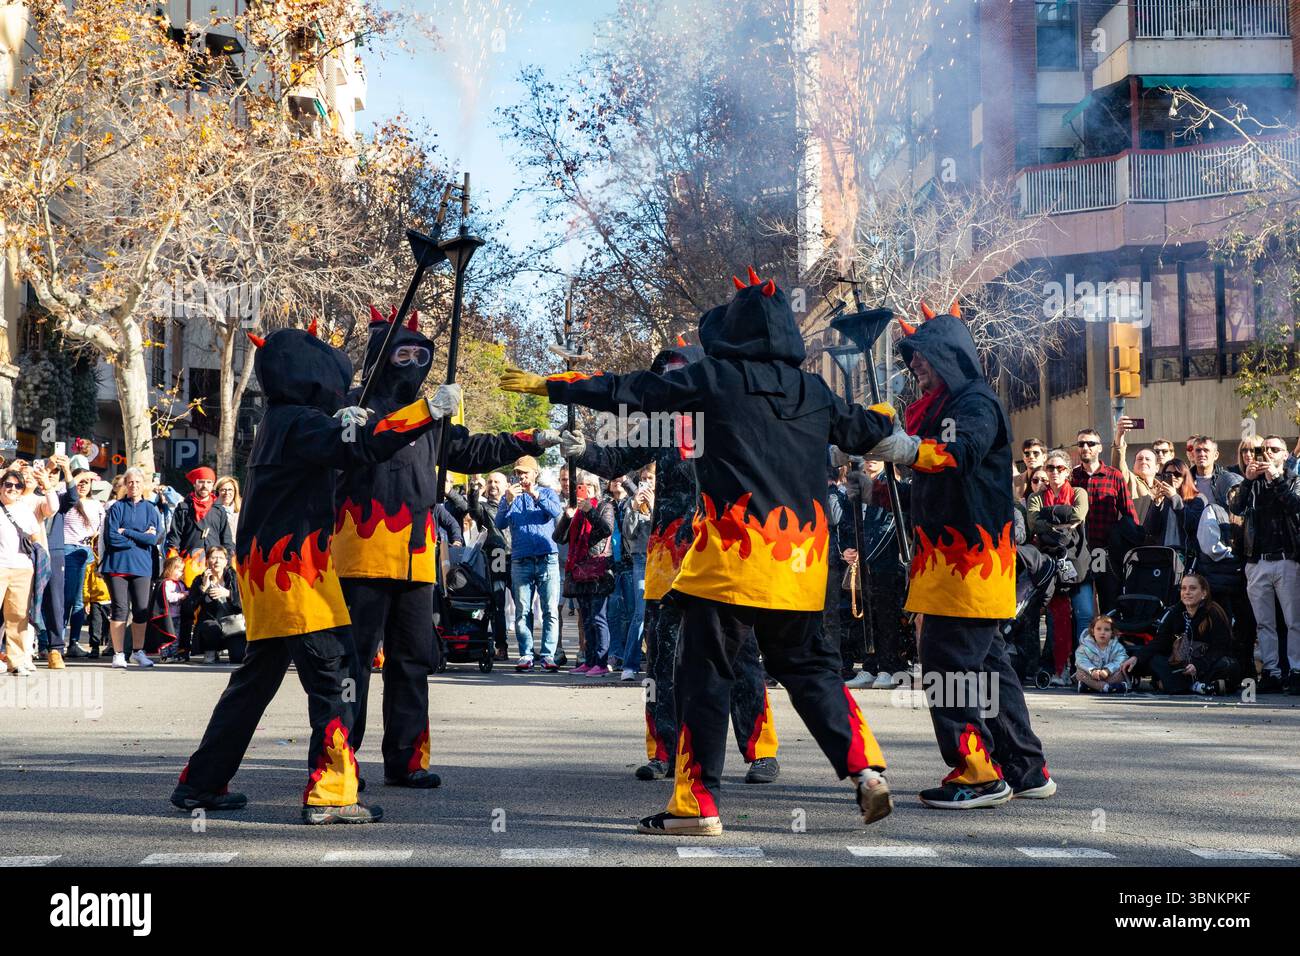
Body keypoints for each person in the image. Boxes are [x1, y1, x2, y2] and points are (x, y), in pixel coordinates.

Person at [503, 269, 901, 835]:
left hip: (733, 563)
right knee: (813, 671)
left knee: (703, 676)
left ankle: (696, 805)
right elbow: (867, 430)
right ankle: (865, 770)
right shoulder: (815, 390)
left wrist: (557, 386)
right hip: (802, 566)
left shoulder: (715, 379)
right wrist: (897, 426)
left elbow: (632, 389)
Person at [170, 325, 452, 824]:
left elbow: (347, 440)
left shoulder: (284, 420)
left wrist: (349, 422)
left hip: (267, 571)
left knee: (253, 682)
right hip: (294, 573)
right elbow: (360, 446)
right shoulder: (297, 421)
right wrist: (425, 412)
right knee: (335, 677)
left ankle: (201, 781)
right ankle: (332, 792)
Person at [333, 305, 556, 789]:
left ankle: (407, 760)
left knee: (413, 660)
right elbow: (350, 442)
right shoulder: (354, 408)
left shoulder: (434, 419)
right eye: (402, 352)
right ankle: (340, 762)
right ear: (381, 356)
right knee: (354, 663)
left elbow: (472, 452)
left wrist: (530, 439)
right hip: (361, 554)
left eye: (421, 354)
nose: (413, 362)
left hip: (417, 559)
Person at [568, 340, 781, 785]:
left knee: (740, 654)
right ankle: (664, 752)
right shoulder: (657, 425)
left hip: (722, 554)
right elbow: (612, 460)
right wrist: (578, 450)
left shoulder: (729, 419)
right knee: (662, 658)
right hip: (668, 559)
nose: (673, 381)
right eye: (665, 374)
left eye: (681, 372)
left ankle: (761, 752)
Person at [893, 302, 1054, 808]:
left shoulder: (975, 404)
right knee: (988, 668)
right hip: (954, 568)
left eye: (922, 356)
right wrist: (879, 490)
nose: (915, 366)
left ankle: (978, 773)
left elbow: (958, 456)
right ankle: (1026, 770)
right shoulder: (946, 407)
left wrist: (902, 450)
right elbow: (935, 486)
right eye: (912, 358)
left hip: (969, 566)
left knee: (946, 664)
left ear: (949, 356)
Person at [1228, 435, 1300, 694]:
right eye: (1263, 449)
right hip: (1257, 561)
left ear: (1284, 455)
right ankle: (1271, 671)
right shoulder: (1251, 481)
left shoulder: (1293, 479)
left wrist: (1277, 479)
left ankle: (1296, 671)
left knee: (1294, 621)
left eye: (1274, 449)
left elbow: (1295, 507)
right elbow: (1236, 506)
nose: (1267, 453)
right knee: (1264, 623)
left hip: (1286, 559)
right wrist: (1248, 480)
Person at [1028, 449, 1092, 687]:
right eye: (1050, 468)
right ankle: (1060, 668)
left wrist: (1050, 518)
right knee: (1058, 618)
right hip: (1050, 565)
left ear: (1068, 472)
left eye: (1060, 468)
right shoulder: (1036, 497)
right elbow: (1033, 523)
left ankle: (1084, 667)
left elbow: (1079, 514)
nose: (1054, 472)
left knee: (1084, 614)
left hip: (1078, 562)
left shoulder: (1078, 492)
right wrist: (1062, 521)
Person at [497, 455, 565, 671]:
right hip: (520, 558)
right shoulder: (510, 496)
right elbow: (499, 523)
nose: (522, 476)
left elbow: (557, 513)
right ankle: (526, 654)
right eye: (518, 472)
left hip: (547, 557)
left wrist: (536, 495)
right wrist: (506, 501)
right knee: (522, 611)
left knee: (550, 610)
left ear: (535, 473)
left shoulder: (547, 493)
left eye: (525, 472)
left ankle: (547, 655)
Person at [1123, 573, 1239, 696]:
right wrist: (1137, 657)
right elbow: (1161, 640)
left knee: (1228, 665)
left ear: (1204, 593)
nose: (1187, 592)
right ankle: (1197, 686)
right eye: (1184, 588)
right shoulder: (1176, 611)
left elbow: (1220, 649)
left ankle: (1175, 685)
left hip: (1205, 663)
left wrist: (1198, 666)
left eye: (1192, 588)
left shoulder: (1213, 613)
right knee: (1153, 660)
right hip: (1181, 665)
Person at [101, 467, 164, 669]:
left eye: (137, 482)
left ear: (143, 484)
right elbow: (112, 538)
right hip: (117, 565)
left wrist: (127, 532)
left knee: (140, 610)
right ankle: (118, 653)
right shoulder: (116, 508)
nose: (134, 485)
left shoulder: (151, 509)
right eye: (130, 482)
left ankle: (138, 651)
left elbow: (153, 538)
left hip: (143, 566)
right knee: (119, 609)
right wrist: (139, 537)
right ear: (125, 485)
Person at [555, 471, 617, 676]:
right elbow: (559, 537)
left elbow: (606, 529)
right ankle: (590, 660)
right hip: (580, 570)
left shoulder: (604, 506)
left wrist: (590, 511)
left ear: (596, 487)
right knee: (587, 618)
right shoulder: (575, 511)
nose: (584, 488)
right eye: (580, 485)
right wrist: (567, 517)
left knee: (599, 617)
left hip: (598, 569)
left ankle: (601, 661)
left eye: (588, 485)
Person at [1072, 427, 1136, 615]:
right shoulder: (1072, 477)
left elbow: (1129, 514)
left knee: (1109, 606)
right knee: (1082, 610)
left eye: (1091, 443)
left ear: (1100, 448)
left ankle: (1112, 644)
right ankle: (1084, 644)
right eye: (1081, 443)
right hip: (1079, 551)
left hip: (1105, 552)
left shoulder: (1113, 475)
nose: (1085, 447)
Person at [0, 466, 52, 675]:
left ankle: (17, 661)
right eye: (8, 484)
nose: (12, 489)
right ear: (1, 486)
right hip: (1, 566)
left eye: (17, 486)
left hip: (22, 569)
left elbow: (35, 538)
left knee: (18, 616)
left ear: (22, 490)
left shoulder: (24, 510)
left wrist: (35, 563)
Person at [63, 468, 104, 657]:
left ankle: (74, 642)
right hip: (69, 550)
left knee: (81, 601)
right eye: (79, 481)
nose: (82, 485)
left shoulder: (97, 505)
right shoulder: (67, 500)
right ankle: (58, 643)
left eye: (86, 482)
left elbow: (101, 531)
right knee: (68, 598)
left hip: (89, 553)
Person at [185, 546, 245, 665]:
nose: (217, 561)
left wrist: (228, 594)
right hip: (211, 625)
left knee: (238, 658)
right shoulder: (199, 580)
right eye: (213, 557)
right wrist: (203, 588)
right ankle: (211, 650)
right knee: (209, 626)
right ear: (207, 561)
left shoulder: (235, 578)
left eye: (220, 558)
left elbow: (246, 602)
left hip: (233, 625)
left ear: (226, 562)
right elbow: (188, 608)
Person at [1141, 457, 1197, 550]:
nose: (1173, 477)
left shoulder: (1197, 499)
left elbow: (1192, 525)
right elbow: (1150, 530)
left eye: (1177, 474)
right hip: (1163, 555)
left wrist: (1174, 497)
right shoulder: (1162, 499)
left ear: (1185, 477)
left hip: (1186, 554)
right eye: (1168, 474)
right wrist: (1156, 505)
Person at [1113, 417, 1157, 522]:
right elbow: (1119, 466)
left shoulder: (1163, 487)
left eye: (1148, 459)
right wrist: (1119, 435)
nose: (1143, 461)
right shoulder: (1130, 480)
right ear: (1133, 466)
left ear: (1157, 467)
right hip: (1135, 533)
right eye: (1140, 459)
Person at [146, 555, 188, 658]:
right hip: (166, 616)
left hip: (177, 615)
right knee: (165, 635)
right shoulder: (165, 583)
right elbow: (167, 597)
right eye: (178, 570)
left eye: (182, 571)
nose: (180, 573)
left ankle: (173, 654)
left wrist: (187, 593)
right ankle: (164, 656)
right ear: (169, 569)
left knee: (176, 637)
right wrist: (181, 596)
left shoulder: (180, 584)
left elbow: (186, 592)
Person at [1074, 616, 1130, 693]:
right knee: (1080, 673)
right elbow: (1081, 660)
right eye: (1098, 629)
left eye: (1106, 630)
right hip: (1092, 675)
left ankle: (1092, 687)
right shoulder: (1085, 646)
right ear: (1093, 631)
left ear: (1112, 632)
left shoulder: (1117, 646)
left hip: (1109, 675)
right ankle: (1107, 687)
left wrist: (1108, 670)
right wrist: (1092, 670)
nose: (1102, 632)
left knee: (1120, 673)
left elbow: (1121, 659)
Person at [1189, 437, 1242, 509]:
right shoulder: (1185, 478)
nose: (1201, 454)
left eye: (1206, 450)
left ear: (1216, 455)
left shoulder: (1226, 479)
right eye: (1198, 450)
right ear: (1193, 455)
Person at [1012, 437, 1046, 501]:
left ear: (1044, 457)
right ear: (1023, 458)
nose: (1031, 457)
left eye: (1036, 453)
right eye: (1027, 454)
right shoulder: (1015, 481)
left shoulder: (1052, 477)